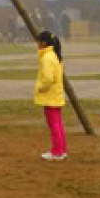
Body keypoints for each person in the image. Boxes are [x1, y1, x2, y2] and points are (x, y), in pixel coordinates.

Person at [35, 30, 67, 161]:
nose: (37, 45)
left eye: (38, 42)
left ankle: (57, 152)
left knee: (54, 125)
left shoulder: (47, 58)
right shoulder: (54, 55)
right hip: (56, 95)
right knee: (58, 124)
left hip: (50, 96)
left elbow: (48, 78)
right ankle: (61, 150)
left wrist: (40, 87)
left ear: (43, 43)